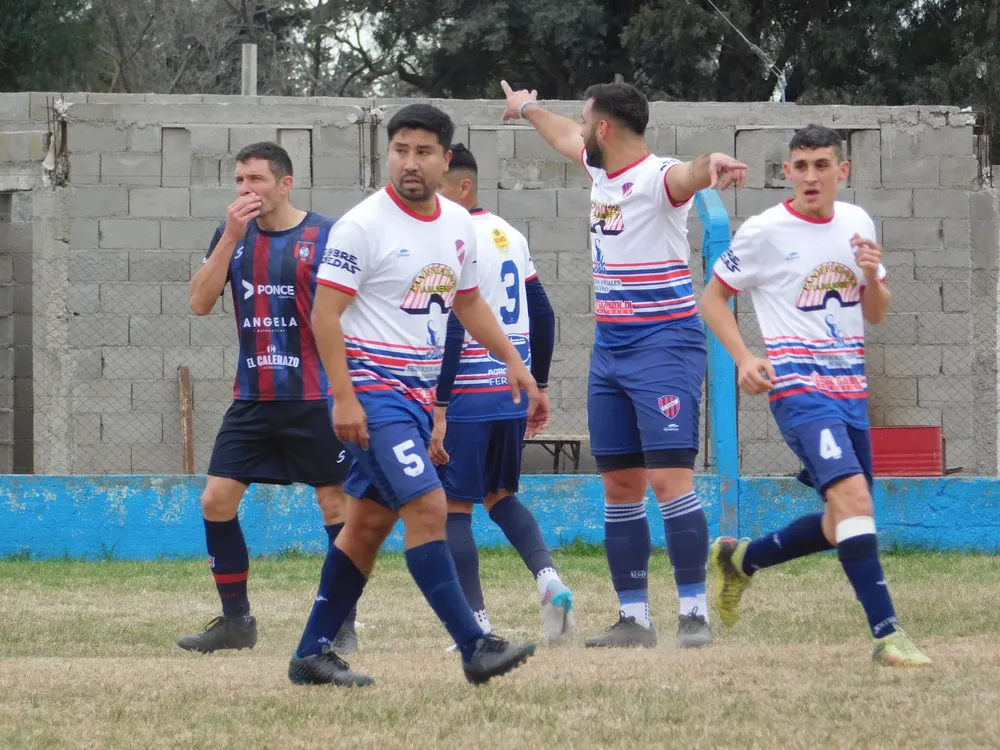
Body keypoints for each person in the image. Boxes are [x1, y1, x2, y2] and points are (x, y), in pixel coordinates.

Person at [288, 104, 540, 688]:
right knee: (428, 506)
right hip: (371, 392)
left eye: (423, 151)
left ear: (445, 161)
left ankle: (311, 653)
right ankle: (474, 645)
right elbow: (325, 316)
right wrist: (345, 399)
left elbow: (469, 302)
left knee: (368, 527)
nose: (409, 162)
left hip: (415, 398)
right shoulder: (362, 225)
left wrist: (514, 364)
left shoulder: (458, 224)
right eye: (400, 149)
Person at [500, 79, 746, 648]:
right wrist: (526, 107)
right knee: (619, 484)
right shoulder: (600, 170)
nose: (581, 129)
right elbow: (563, 134)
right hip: (611, 348)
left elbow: (688, 172)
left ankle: (695, 613)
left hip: (664, 344)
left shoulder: (658, 177)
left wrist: (711, 162)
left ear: (605, 128)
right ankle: (633, 618)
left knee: (668, 479)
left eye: (588, 121)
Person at [699, 123, 931, 666]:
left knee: (839, 520)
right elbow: (712, 299)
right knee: (855, 502)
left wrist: (873, 277)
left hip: (850, 389)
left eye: (822, 165)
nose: (811, 177)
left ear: (841, 172)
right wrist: (745, 358)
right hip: (798, 389)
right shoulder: (763, 231)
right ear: (787, 172)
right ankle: (889, 635)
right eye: (800, 167)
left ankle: (742, 559)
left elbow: (874, 312)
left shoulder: (856, 223)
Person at [178, 142, 358, 655]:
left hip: (316, 395)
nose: (245, 190)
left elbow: (356, 310)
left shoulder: (326, 235)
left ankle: (340, 621)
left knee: (334, 504)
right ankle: (237, 623)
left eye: (255, 179)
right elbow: (198, 302)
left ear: (285, 183)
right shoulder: (232, 236)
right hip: (253, 397)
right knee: (216, 500)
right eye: (239, 180)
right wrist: (230, 237)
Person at [432, 143, 575, 647]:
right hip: (510, 393)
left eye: (438, 181)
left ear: (463, 186)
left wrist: (440, 405)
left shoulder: (448, 235)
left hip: (467, 394)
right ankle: (549, 579)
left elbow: (452, 326)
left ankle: (475, 623)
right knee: (501, 496)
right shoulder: (509, 234)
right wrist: (540, 384)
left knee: (453, 508)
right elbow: (544, 314)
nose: (429, 190)